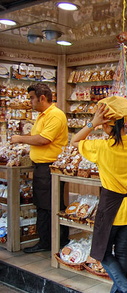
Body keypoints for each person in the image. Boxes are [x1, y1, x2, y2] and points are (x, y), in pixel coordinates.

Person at [71, 96, 127, 293]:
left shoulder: (101, 148)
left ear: (107, 125)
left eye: (103, 125)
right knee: (122, 250)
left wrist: (92, 123)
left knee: (102, 252)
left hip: (111, 208)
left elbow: (74, 140)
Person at [11, 83, 69, 253]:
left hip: (49, 168)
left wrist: (20, 139)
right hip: (42, 167)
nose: (30, 102)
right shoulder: (42, 115)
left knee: (49, 207)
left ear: (42, 98)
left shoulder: (55, 115)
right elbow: (37, 136)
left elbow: (44, 139)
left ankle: (54, 241)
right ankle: (49, 240)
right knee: (44, 205)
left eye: (31, 98)